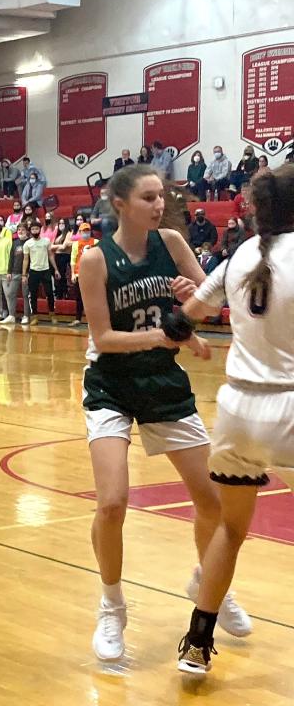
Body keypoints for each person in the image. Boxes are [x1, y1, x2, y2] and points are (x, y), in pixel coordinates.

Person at [78, 164, 250, 662]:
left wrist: (189, 304)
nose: (159, 204)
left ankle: (209, 582)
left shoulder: (172, 241)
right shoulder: (95, 259)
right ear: (120, 205)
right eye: (149, 197)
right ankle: (112, 606)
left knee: (213, 503)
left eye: (162, 197)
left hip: (162, 383)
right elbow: (104, 339)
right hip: (112, 384)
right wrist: (168, 333)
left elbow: (213, 303)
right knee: (112, 502)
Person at [174, 165, 294, 675]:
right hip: (290, 407)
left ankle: (197, 644)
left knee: (230, 529)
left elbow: (180, 323)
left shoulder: (237, 257)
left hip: (238, 411)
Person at [24, 219, 60, 324]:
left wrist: (56, 269)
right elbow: (26, 259)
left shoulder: (46, 241)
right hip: (33, 271)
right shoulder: (27, 244)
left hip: (45, 271)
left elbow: (50, 256)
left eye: (36, 229)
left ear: (40, 229)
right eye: (33, 229)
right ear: (30, 231)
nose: (35, 231)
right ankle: (34, 316)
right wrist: (24, 274)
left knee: (49, 293)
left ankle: (52, 315)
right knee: (33, 294)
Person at [2, 224, 30, 325]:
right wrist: (9, 271)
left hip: (26, 274)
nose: (20, 231)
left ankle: (26, 316)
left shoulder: (30, 242)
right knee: (10, 294)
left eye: (23, 229)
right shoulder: (15, 243)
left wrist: (28, 273)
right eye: (18, 230)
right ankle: (11, 315)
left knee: (25, 295)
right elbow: (11, 258)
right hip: (14, 272)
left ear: (27, 231)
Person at [69, 223, 98, 325]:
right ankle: (78, 318)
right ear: (80, 232)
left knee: (93, 298)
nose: (86, 233)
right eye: (83, 231)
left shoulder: (96, 242)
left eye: (87, 231)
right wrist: (72, 273)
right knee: (79, 298)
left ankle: (94, 320)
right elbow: (73, 260)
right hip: (79, 274)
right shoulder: (76, 244)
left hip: (92, 274)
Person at [52, 218, 73, 299]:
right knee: (58, 277)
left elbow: (64, 247)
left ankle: (65, 294)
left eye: (63, 223)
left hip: (65, 256)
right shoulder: (57, 234)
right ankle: (59, 294)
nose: (61, 225)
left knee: (63, 276)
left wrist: (54, 247)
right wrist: (57, 247)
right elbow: (50, 245)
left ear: (66, 224)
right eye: (60, 223)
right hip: (57, 257)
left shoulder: (69, 233)